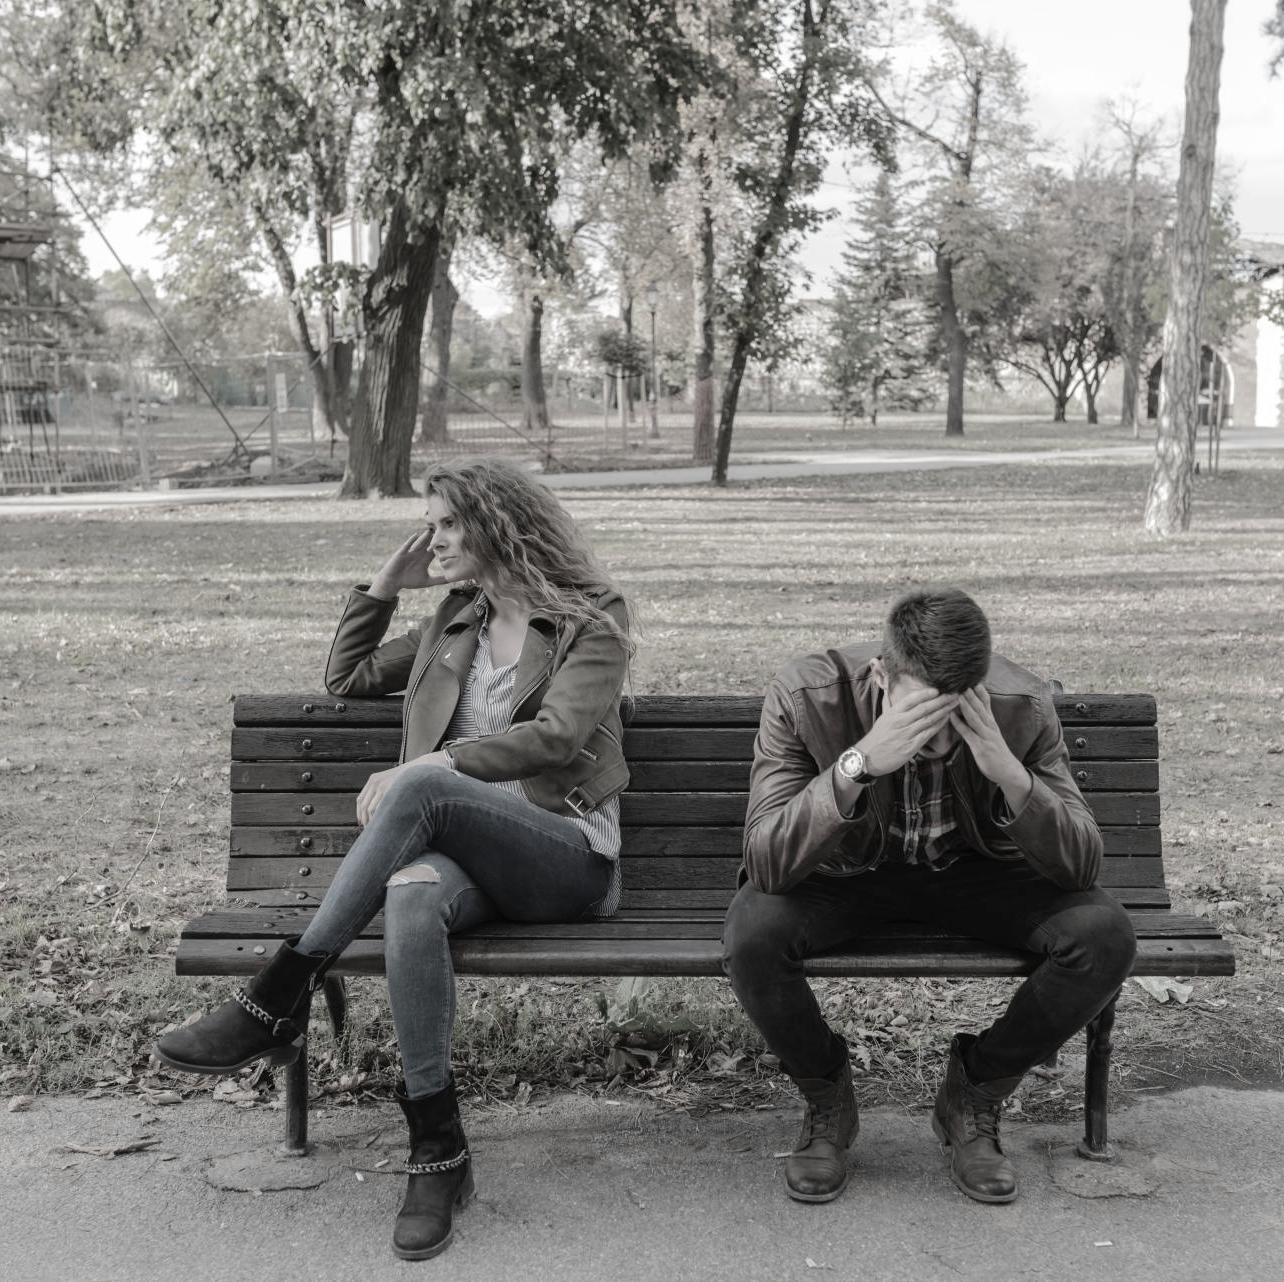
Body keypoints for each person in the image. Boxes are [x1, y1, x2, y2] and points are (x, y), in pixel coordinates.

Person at [155, 457, 633, 1260]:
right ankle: (438, 1151)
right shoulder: (453, 620)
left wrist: (433, 765)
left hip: (566, 855)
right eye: (432, 523)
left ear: (497, 524)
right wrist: (386, 582)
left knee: (422, 787)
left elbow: (558, 738)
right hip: (463, 858)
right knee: (411, 894)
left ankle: (279, 994)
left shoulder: (593, 616)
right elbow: (345, 678)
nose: (432, 538)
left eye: (448, 522)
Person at [722, 587, 1137, 1206]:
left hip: (973, 873)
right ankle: (827, 1098)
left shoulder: (1019, 704)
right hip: (846, 876)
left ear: (978, 689)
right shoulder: (807, 694)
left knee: (1104, 937)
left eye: (952, 718)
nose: (933, 739)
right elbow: (768, 863)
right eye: (918, 716)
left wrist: (1006, 770)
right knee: (752, 932)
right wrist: (856, 766)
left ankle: (975, 1092)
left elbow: (1080, 865)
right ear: (882, 677)